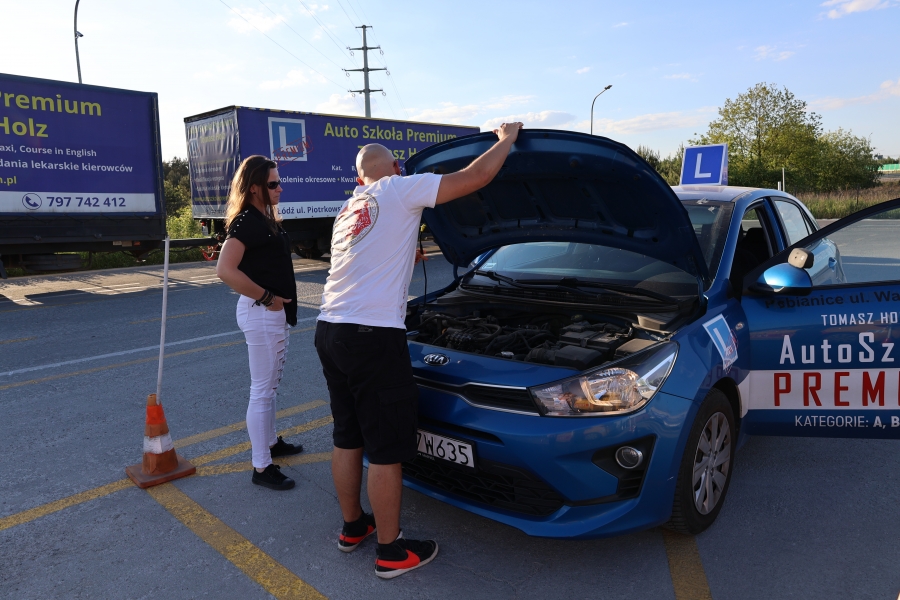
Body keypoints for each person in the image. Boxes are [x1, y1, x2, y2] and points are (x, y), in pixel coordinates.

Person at [314, 123, 523, 579]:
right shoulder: (400, 187)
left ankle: (353, 527)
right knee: (385, 447)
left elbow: (365, 258)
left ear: (358, 178)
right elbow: (475, 178)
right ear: (396, 167)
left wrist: (406, 251)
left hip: (330, 329)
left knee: (347, 434)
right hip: (372, 336)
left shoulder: (350, 207)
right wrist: (505, 139)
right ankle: (391, 552)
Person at [217, 155, 303, 491]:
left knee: (270, 386)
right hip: (261, 313)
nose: (280, 188)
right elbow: (225, 270)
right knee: (262, 391)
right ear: (254, 188)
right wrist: (268, 298)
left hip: (269, 313)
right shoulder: (247, 222)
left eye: (279, 182)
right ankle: (261, 466)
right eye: (273, 184)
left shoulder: (264, 218)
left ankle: (270, 442)